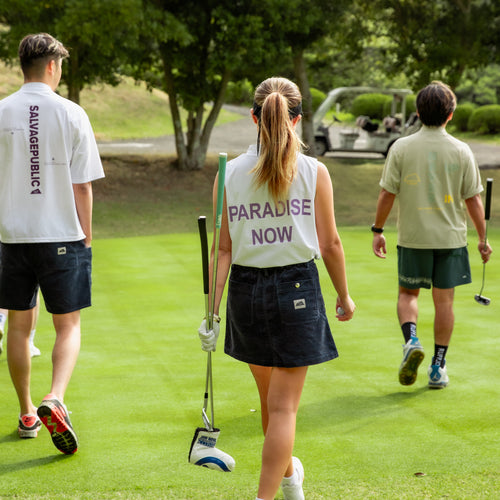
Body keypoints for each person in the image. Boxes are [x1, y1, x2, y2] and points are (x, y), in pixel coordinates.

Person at [198, 77, 355, 500]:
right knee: (283, 409)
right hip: (297, 287)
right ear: (297, 120)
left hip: (246, 293)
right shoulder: (314, 171)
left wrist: (210, 312)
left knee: (272, 404)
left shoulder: (228, 174)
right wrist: (344, 295)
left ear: (254, 118)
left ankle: (290, 483)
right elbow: (331, 244)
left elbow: (222, 251)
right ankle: (266, 497)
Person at [0, 33, 104, 452]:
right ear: (53, 66)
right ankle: (54, 397)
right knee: (68, 325)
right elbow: (82, 187)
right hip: (63, 235)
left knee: (19, 329)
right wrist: (88, 236)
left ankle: (28, 412)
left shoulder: (2, 111)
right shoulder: (72, 113)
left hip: (12, 238)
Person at [371, 80, 492, 389]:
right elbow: (473, 199)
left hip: (413, 237)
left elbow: (387, 194)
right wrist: (482, 238)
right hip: (450, 239)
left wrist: (378, 229)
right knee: (445, 302)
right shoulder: (462, 150)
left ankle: (411, 340)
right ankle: (438, 367)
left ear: (417, 113)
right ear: (450, 114)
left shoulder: (401, 147)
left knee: (408, 294)